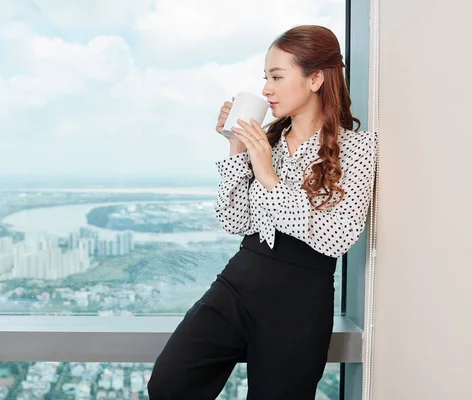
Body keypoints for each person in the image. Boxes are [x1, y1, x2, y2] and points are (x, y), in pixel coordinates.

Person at [147, 25, 378, 400]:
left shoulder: (357, 148)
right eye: (265, 78)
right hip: (240, 282)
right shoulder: (265, 140)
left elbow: (337, 239)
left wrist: (268, 176)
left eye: (276, 76)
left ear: (316, 78)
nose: (266, 89)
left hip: (300, 302)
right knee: (169, 384)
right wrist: (238, 146)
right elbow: (233, 220)